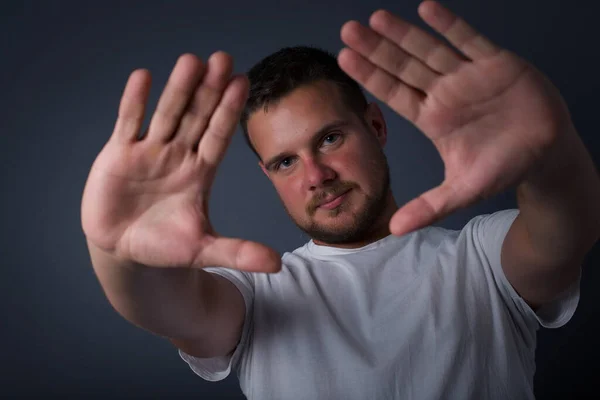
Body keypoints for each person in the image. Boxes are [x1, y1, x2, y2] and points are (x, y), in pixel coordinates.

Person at [80, 1, 599, 399]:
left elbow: (563, 232)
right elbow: (167, 307)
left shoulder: (481, 257)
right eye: (285, 162)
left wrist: (552, 157)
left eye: (329, 139)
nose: (317, 175)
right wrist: (119, 255)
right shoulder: (257, 298)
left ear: (375, 126)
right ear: (268, 174)